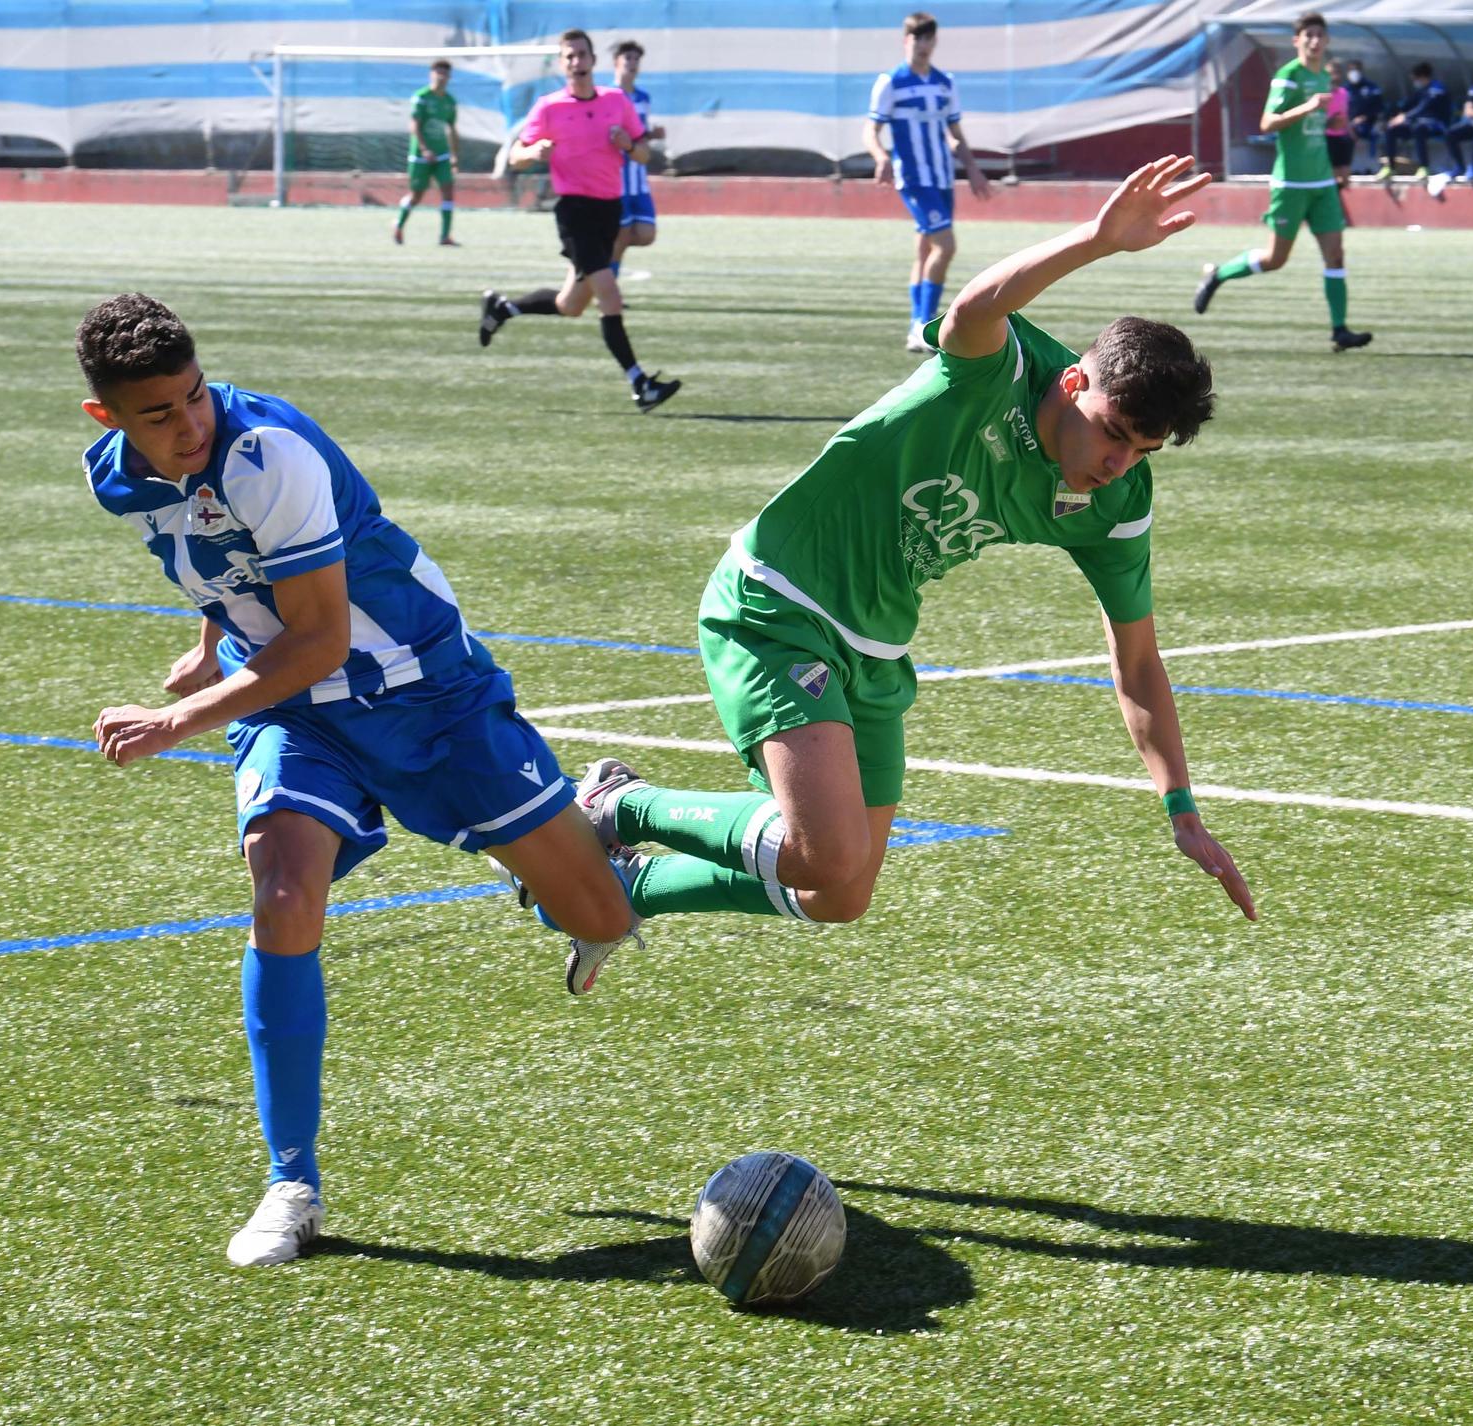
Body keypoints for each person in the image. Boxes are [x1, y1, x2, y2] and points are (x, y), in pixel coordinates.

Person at [502, 158, 1255, 948]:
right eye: (1112, 434)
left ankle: (624, 892)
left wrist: (1182, 810)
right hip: (777, 600)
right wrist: (1095, 242)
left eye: (1142, 452)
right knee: (823, 853)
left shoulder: (1112, 505)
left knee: (841, 893)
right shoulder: (994, 375)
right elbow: (975, 305)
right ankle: (618, 805)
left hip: (877, 644)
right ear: (1072, 386)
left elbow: (1137, 662)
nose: (1118, 464)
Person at [75, 294, 641, 1267]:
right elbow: (219, 555)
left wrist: (175, 720)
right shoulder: (120, 479)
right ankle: (291, 1179)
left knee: (602, 918)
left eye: (195, 397)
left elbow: (323, 636)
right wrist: (213, 643)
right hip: (298, 710)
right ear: (108, 420)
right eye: (160, 413)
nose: (189, 424)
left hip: (421, 685)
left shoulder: (267, 456)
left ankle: (601, 820)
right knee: (282, 894)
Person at [478, 29, 681, 413]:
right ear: (562, 63)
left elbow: (641, 154)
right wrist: (532, 151)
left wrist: (628, 145)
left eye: (581, 55)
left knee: (571, 304)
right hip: (574, 212)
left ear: (592, 60)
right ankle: (640, 384)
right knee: (611, 296)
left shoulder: (616, 101)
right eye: (569, 56)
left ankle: (501, 309)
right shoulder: (549, 107)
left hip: (609, 210)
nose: (576, 62)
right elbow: (517, 156)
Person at [1191, 13, 1372, 351]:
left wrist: (1331, 119)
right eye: (1309, 35)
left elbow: (1315, 123)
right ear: (1297, 41)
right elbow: (1268, 123)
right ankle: (1218, 275)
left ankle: (1340, 330)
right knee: (1275, 259)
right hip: (1290, 184)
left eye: (1320, 35)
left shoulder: (1322, 78)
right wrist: (1306, 108)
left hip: (1321, 183)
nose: (1315, 41)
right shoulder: (1288, 77)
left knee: (1335, 255)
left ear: (1327, 40)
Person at [866, 12, 994, 353]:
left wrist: (973, 168)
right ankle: (924, 324)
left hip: (941, 177)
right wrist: (880, 158)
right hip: (913, 178)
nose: (923, 45)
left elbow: (954, 134)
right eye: (917, 38)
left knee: (926, 249)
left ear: (934, 41)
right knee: (946, 246)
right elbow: (871, 130)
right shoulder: (891, 83)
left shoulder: (944, 83)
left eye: (928, 38)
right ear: (905, 40)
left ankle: (915, 325)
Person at [393, 59, 460, 246]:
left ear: (449, 76)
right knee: (417, 195)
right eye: (438, 72)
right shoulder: (421, 97)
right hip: (421, 156)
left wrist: (455, 155)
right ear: (431, 74)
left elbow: (452, 129)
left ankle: (445, 236)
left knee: (448, 191)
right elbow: (414, 124)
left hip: (442, 155)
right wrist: (424, 149)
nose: (441, 76)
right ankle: (399, 224)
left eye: (445, 73)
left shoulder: (449, 101)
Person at [611, 40, 664, 269]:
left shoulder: (643, 98)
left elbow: (638, 135)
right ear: (616, 63)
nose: (632, 63)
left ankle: (601, 248)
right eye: (628, 58)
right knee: (620, 236)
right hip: (616, 179)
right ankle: (609, 290)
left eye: (636, 59)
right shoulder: (608, 97)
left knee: (646, 234)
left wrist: (651, 135)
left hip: (638, 180)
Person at [1376, 62, 1449, 180]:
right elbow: (1407, 105)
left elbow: (1424, 107)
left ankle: (1424, 167)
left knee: (1419, 129)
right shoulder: (1421, 90)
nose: (1415, 82)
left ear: (1423, 77)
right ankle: (1390, 167)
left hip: (1436, 125)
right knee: (1392, 129)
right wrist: (1391, 117)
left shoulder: (1437, 88)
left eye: (1416, 79)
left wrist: (1405, 117)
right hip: (1418, 124)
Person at [1343, 60, 1387, 171]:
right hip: (1348, 125)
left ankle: (1375, 167)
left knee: (1380, 134)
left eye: (1356, 70)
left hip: (1369, 124)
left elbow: (1379, 107)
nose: (1354, 73)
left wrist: (1365, 117)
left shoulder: (1372, 87)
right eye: (1351, 70)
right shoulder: (1345, 89)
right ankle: (1348, 167)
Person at [1324, 57, 1355, 188]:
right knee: (1332, 172)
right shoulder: (1322, 93)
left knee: (1345, 175)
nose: (1334, 76)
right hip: (1327, 136)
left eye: (1336, 72)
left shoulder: (1344, 93)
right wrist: (1328, 123)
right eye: (1331, 72)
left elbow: (1345, 114)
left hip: (1342, 136)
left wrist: (1351, 132)